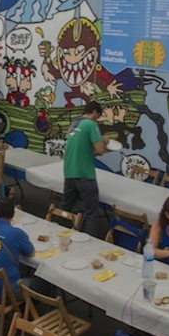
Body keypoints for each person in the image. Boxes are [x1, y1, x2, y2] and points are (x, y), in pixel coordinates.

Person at [59, 101, 107, 237]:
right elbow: (99, 149)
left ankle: (59, 235)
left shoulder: (74, 124)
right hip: (85, 175)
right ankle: (89, 241)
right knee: (91, 213)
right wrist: (104, 141)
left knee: (65, 208)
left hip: (69, 173)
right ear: (95, 112)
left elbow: (82, 149)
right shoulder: (91, 124)